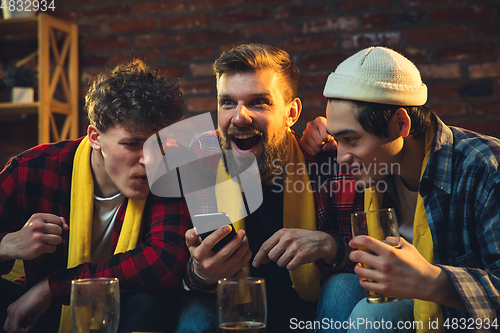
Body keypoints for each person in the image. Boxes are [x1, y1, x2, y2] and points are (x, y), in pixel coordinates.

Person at [299, 46, 500, 332]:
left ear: (401, 123)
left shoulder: (485, 168)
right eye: (337, 139)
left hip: (461, 320)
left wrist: (433, 281)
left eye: (351, 139)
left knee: (373, 318)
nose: (341, 156)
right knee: (340, 287)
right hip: (405, 305)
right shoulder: (378, 171)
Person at [174, 43, 363, 333]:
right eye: (227, 103)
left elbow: (376, 259)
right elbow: (175, 276)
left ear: (291, 113)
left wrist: (329, 245)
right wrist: (199, 274)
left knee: (344, 287)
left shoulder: (327, 162)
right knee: (194, 316)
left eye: (258, 102)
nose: (239, 117)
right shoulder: (201, 162)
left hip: (309, 319)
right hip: (235, 317)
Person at [0, 59, 191, 333]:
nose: (150, 159)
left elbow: (163, 261)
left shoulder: (171, 169)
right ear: (95, 137)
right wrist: (7, 246)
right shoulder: (33, 169)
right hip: (41, 312)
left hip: (120, 311)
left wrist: (52, 286)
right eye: (132, 143)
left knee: (152, 302)